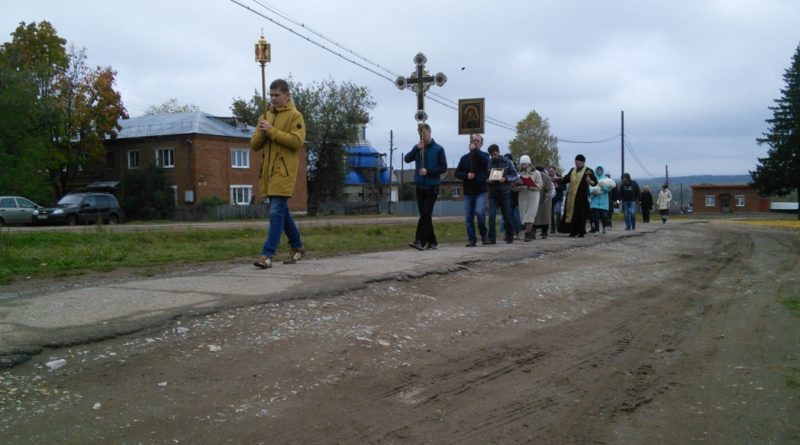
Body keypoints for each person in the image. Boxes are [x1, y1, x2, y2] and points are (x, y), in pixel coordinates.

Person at [252, 79, 307, 269]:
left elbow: (296, 142)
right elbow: (254, 145)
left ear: (287, 95)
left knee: (276, 212)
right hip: (267, 173)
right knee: (282, 213)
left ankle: (267, 255)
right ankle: (298, 247)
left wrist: (272, 130)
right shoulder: (265, 116)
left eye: (277, 95)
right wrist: (262, 131)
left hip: (283, 171)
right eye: (271, 95)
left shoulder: (295, 116)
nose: (273, 98)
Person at [405, 123, 447, 250]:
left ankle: (420, 241)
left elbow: (443, 167)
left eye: (424, 132)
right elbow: (407, 159)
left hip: (432, 186)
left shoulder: (439, 149)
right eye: (420, 133)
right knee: (425, 216)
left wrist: (428, 171)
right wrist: (416, 149)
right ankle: (432, 241)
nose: (422, 135)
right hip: (420, 186)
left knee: (425, 214)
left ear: (429, 131)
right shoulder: (417, 147)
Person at [454, 134, 490, 246]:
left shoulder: (484, 155)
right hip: (469, 192)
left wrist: (476, 151)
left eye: (477, 141)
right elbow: (457, 173)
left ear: (481, 144)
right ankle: (472, 239)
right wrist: (466, 175)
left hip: (480, 191)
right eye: (473, 141)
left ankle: (484, 235)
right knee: (469, 217)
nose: (475, 142)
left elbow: (486, 163)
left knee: (479, 213)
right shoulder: (464, 158)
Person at [558, 154, 597, 237]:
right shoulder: (573, 170)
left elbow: (595, 182)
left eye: (578, 161)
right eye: (575, 161)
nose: (576, 163)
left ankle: (581, 232)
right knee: (572, 214)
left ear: (582, 162)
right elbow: (566, 179)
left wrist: (589, 181)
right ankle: (573, 231)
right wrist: (558, 180)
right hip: (571, 196)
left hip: (581, 196)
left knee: (580, 214)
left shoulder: (588, 170)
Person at [486, 144, 518, 244]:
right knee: (491, 216)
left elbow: (515, 175)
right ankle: (491, 238)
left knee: (507, 216)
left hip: (505, 193)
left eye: (494, 154)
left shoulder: (507, 162)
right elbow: (485, 176)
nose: (493, 157)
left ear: (498, 152)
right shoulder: (489, 163)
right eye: (491, 155)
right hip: (493, 193)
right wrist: (488, 180)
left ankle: (509, 235)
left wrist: (506, 178)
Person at [515, 155, 543, 242]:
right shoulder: (519, 174)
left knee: (530, 215)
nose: (523, 166)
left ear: (529, 164)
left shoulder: (536, 173)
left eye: (525, 164)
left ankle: (527, 234)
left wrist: (533, 185)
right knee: (523, 214)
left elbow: (540, 184)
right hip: (522, 195)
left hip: (533, 195)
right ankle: (530, 232)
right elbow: (516, 186)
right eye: (522, 164)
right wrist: (516, 186)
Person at [588, 165, 615, 235]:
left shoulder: (606, 179)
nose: (599, 171)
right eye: (598, 169)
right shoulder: (593, 179)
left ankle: (604, 227)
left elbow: (609, 189)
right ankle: (597, 230)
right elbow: (589, 189)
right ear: (596, 170)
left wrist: (603, 187)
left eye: (600, 170)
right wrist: (592, 193)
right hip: (595, 201)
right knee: (596, 216)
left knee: (604, 216)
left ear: (602, 170)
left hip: (604, 202)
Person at [533, 165, 554, 239]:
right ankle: (532, 232)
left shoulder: (546, 178)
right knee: (534, 217)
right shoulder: (533, 176)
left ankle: (544, 232)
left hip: (545, 200)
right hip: (535, 199)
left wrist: (547, 196)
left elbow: (549, 189)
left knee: (545, 217)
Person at [548, 166, 562, 234]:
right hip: (551, 198)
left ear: (555, 171)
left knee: (558, 211)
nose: (550, 173)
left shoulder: (560, 177)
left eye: (552, 171)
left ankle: (559, 227)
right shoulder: (547, 178)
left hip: (558, 198)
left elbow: (564, 187)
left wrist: (558, 186)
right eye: (549, 172)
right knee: (551, 214)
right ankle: (553, 229)